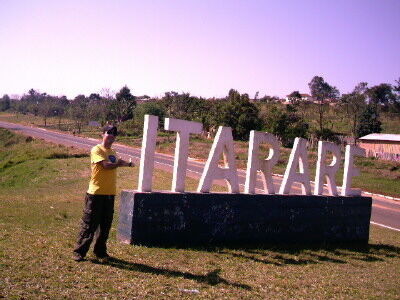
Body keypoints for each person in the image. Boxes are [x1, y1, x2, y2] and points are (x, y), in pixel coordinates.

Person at [73, 125, 134, 262]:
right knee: (89, 224)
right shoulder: (97, 149)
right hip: (96, 193)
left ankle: (100, 252)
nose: (111, 135)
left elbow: (117, 162)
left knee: (105, 225)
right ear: (103, 134)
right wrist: (119, 163)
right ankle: (79, 252)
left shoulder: (113, 152)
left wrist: (128, 164)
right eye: (109, 133)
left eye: (114, 133)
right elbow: (106, 166)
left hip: (109, 194)